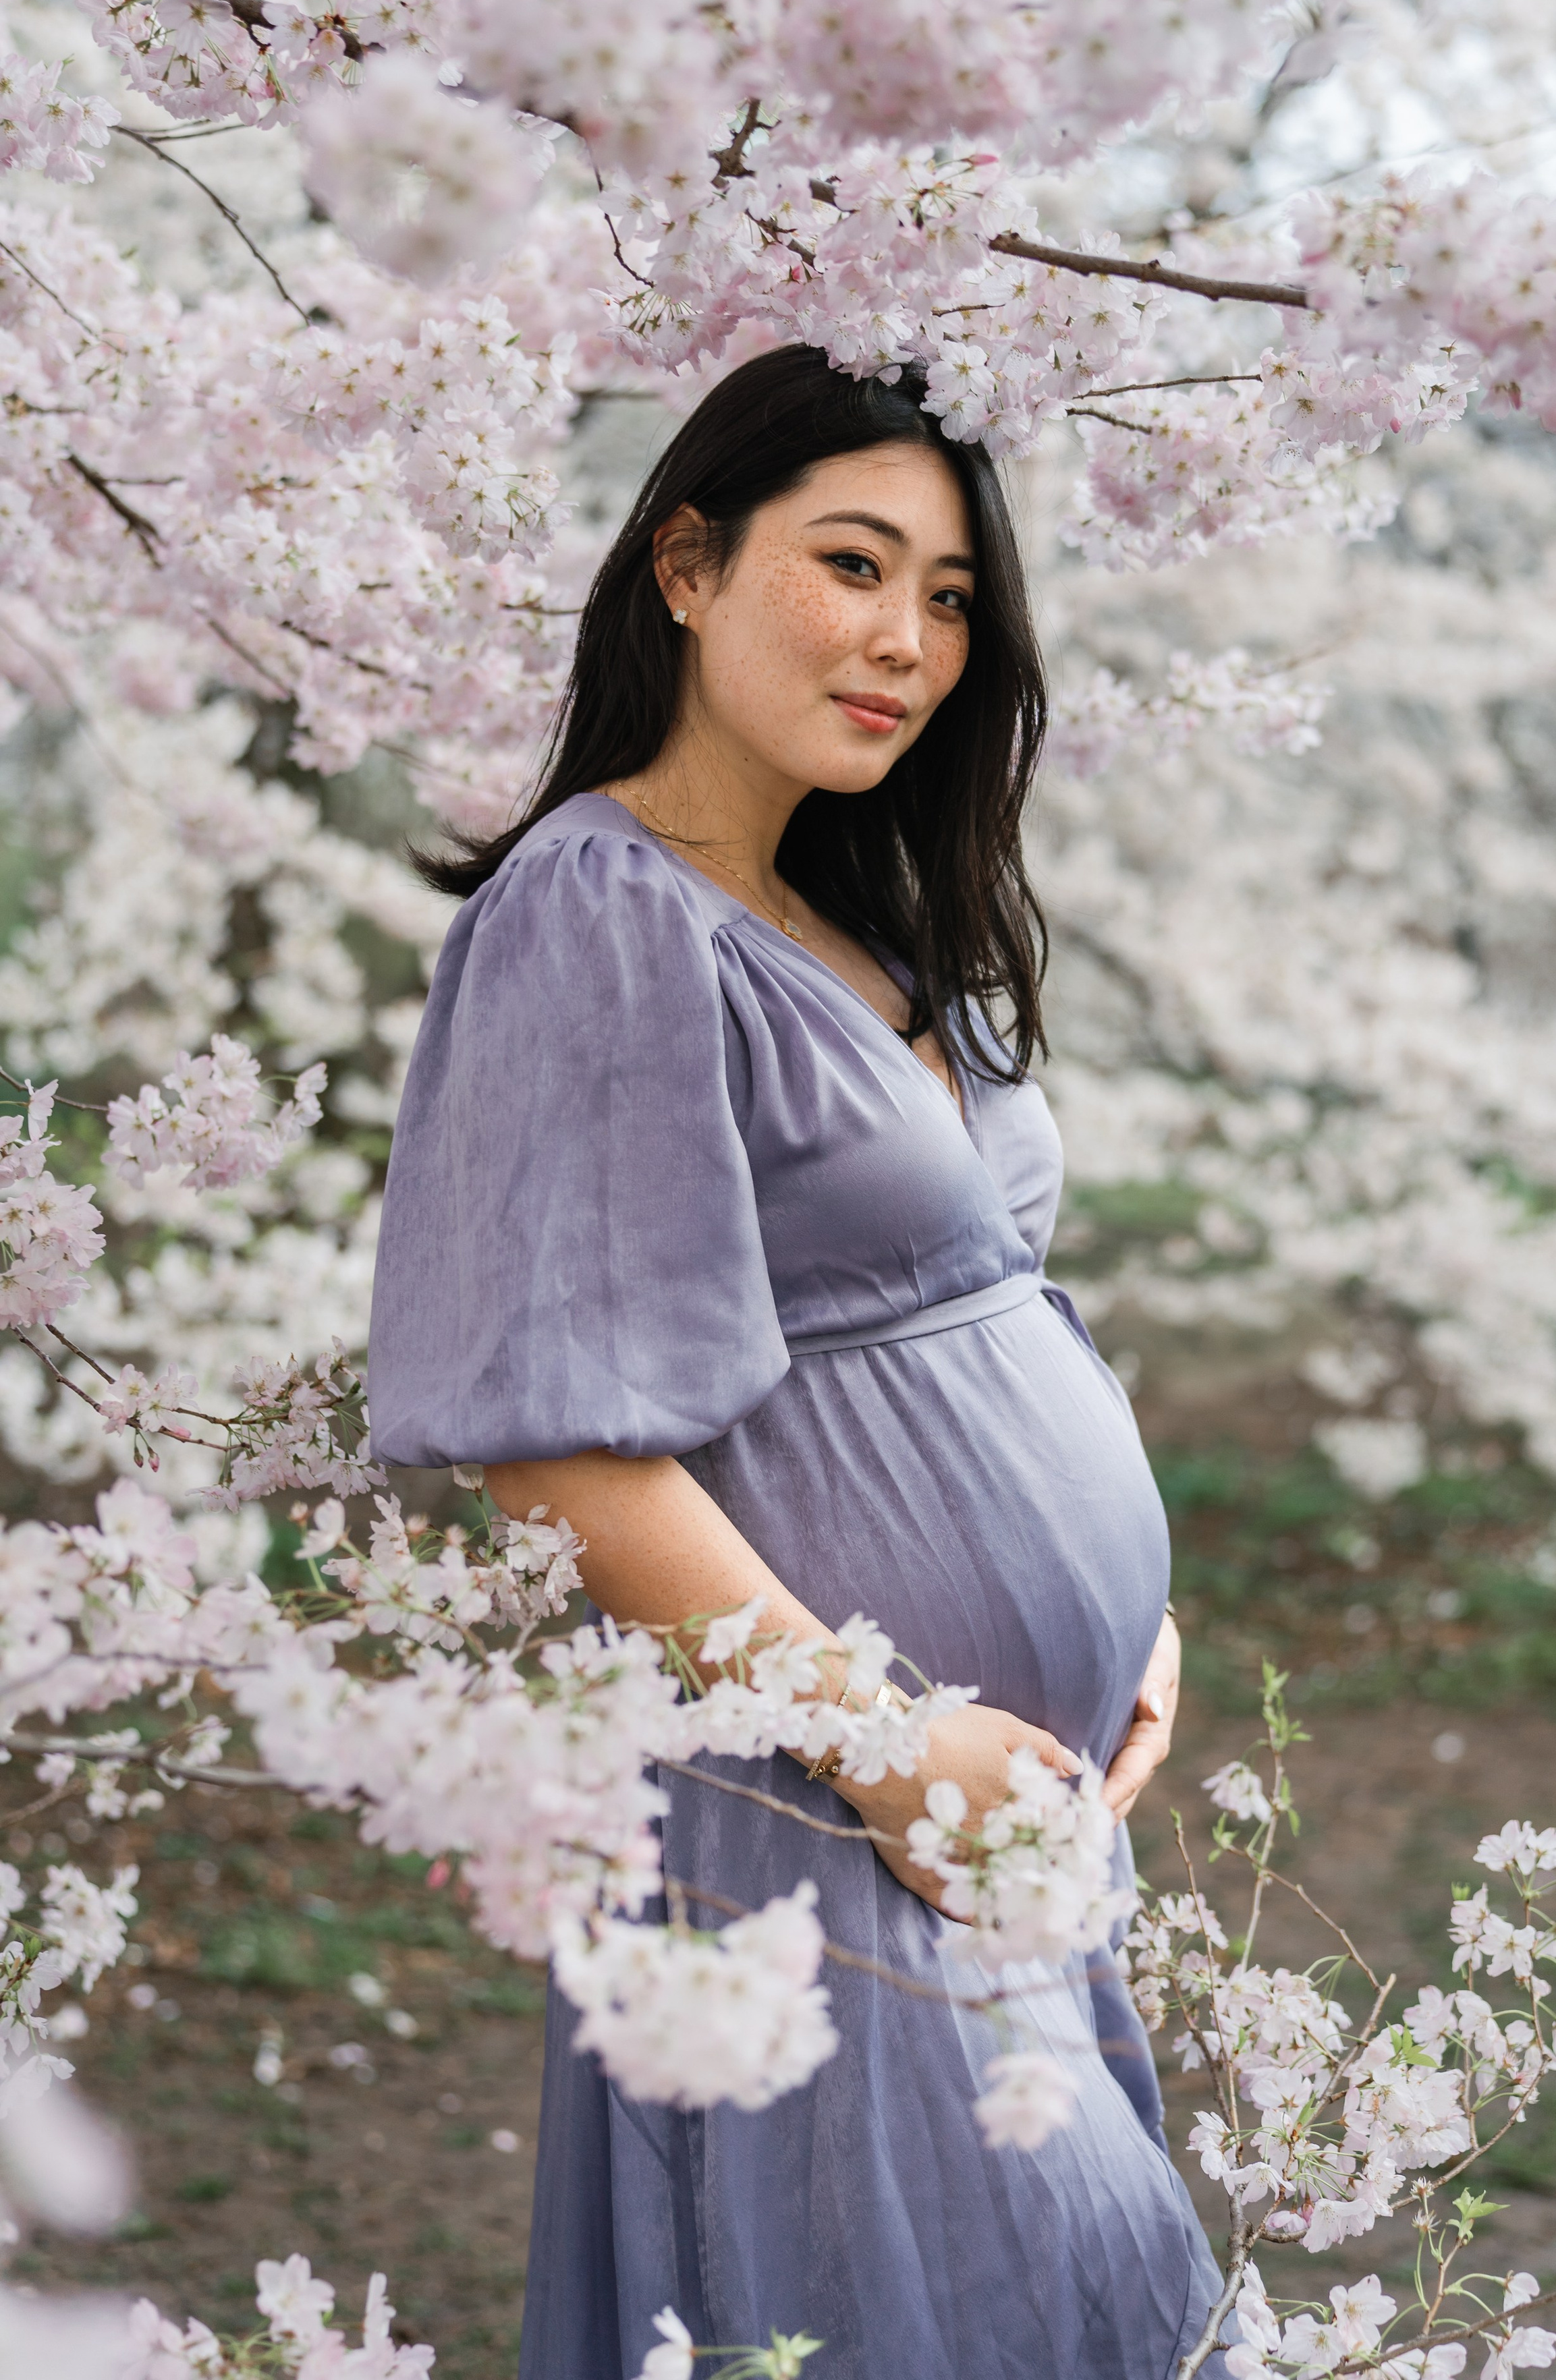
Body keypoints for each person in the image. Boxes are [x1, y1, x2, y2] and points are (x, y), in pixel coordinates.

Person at [366, 345, 1223, 2379]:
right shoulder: (601, 910)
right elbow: (563, 1454)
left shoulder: (863, 917)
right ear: (685, 565)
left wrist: (1136, 1630)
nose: (907, 641)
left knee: (1080, 2313)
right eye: (852, 565)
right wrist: (891, 1749)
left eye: (950, 597)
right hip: (820, 1806)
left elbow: (992, 1308)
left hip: (1004, 1803)